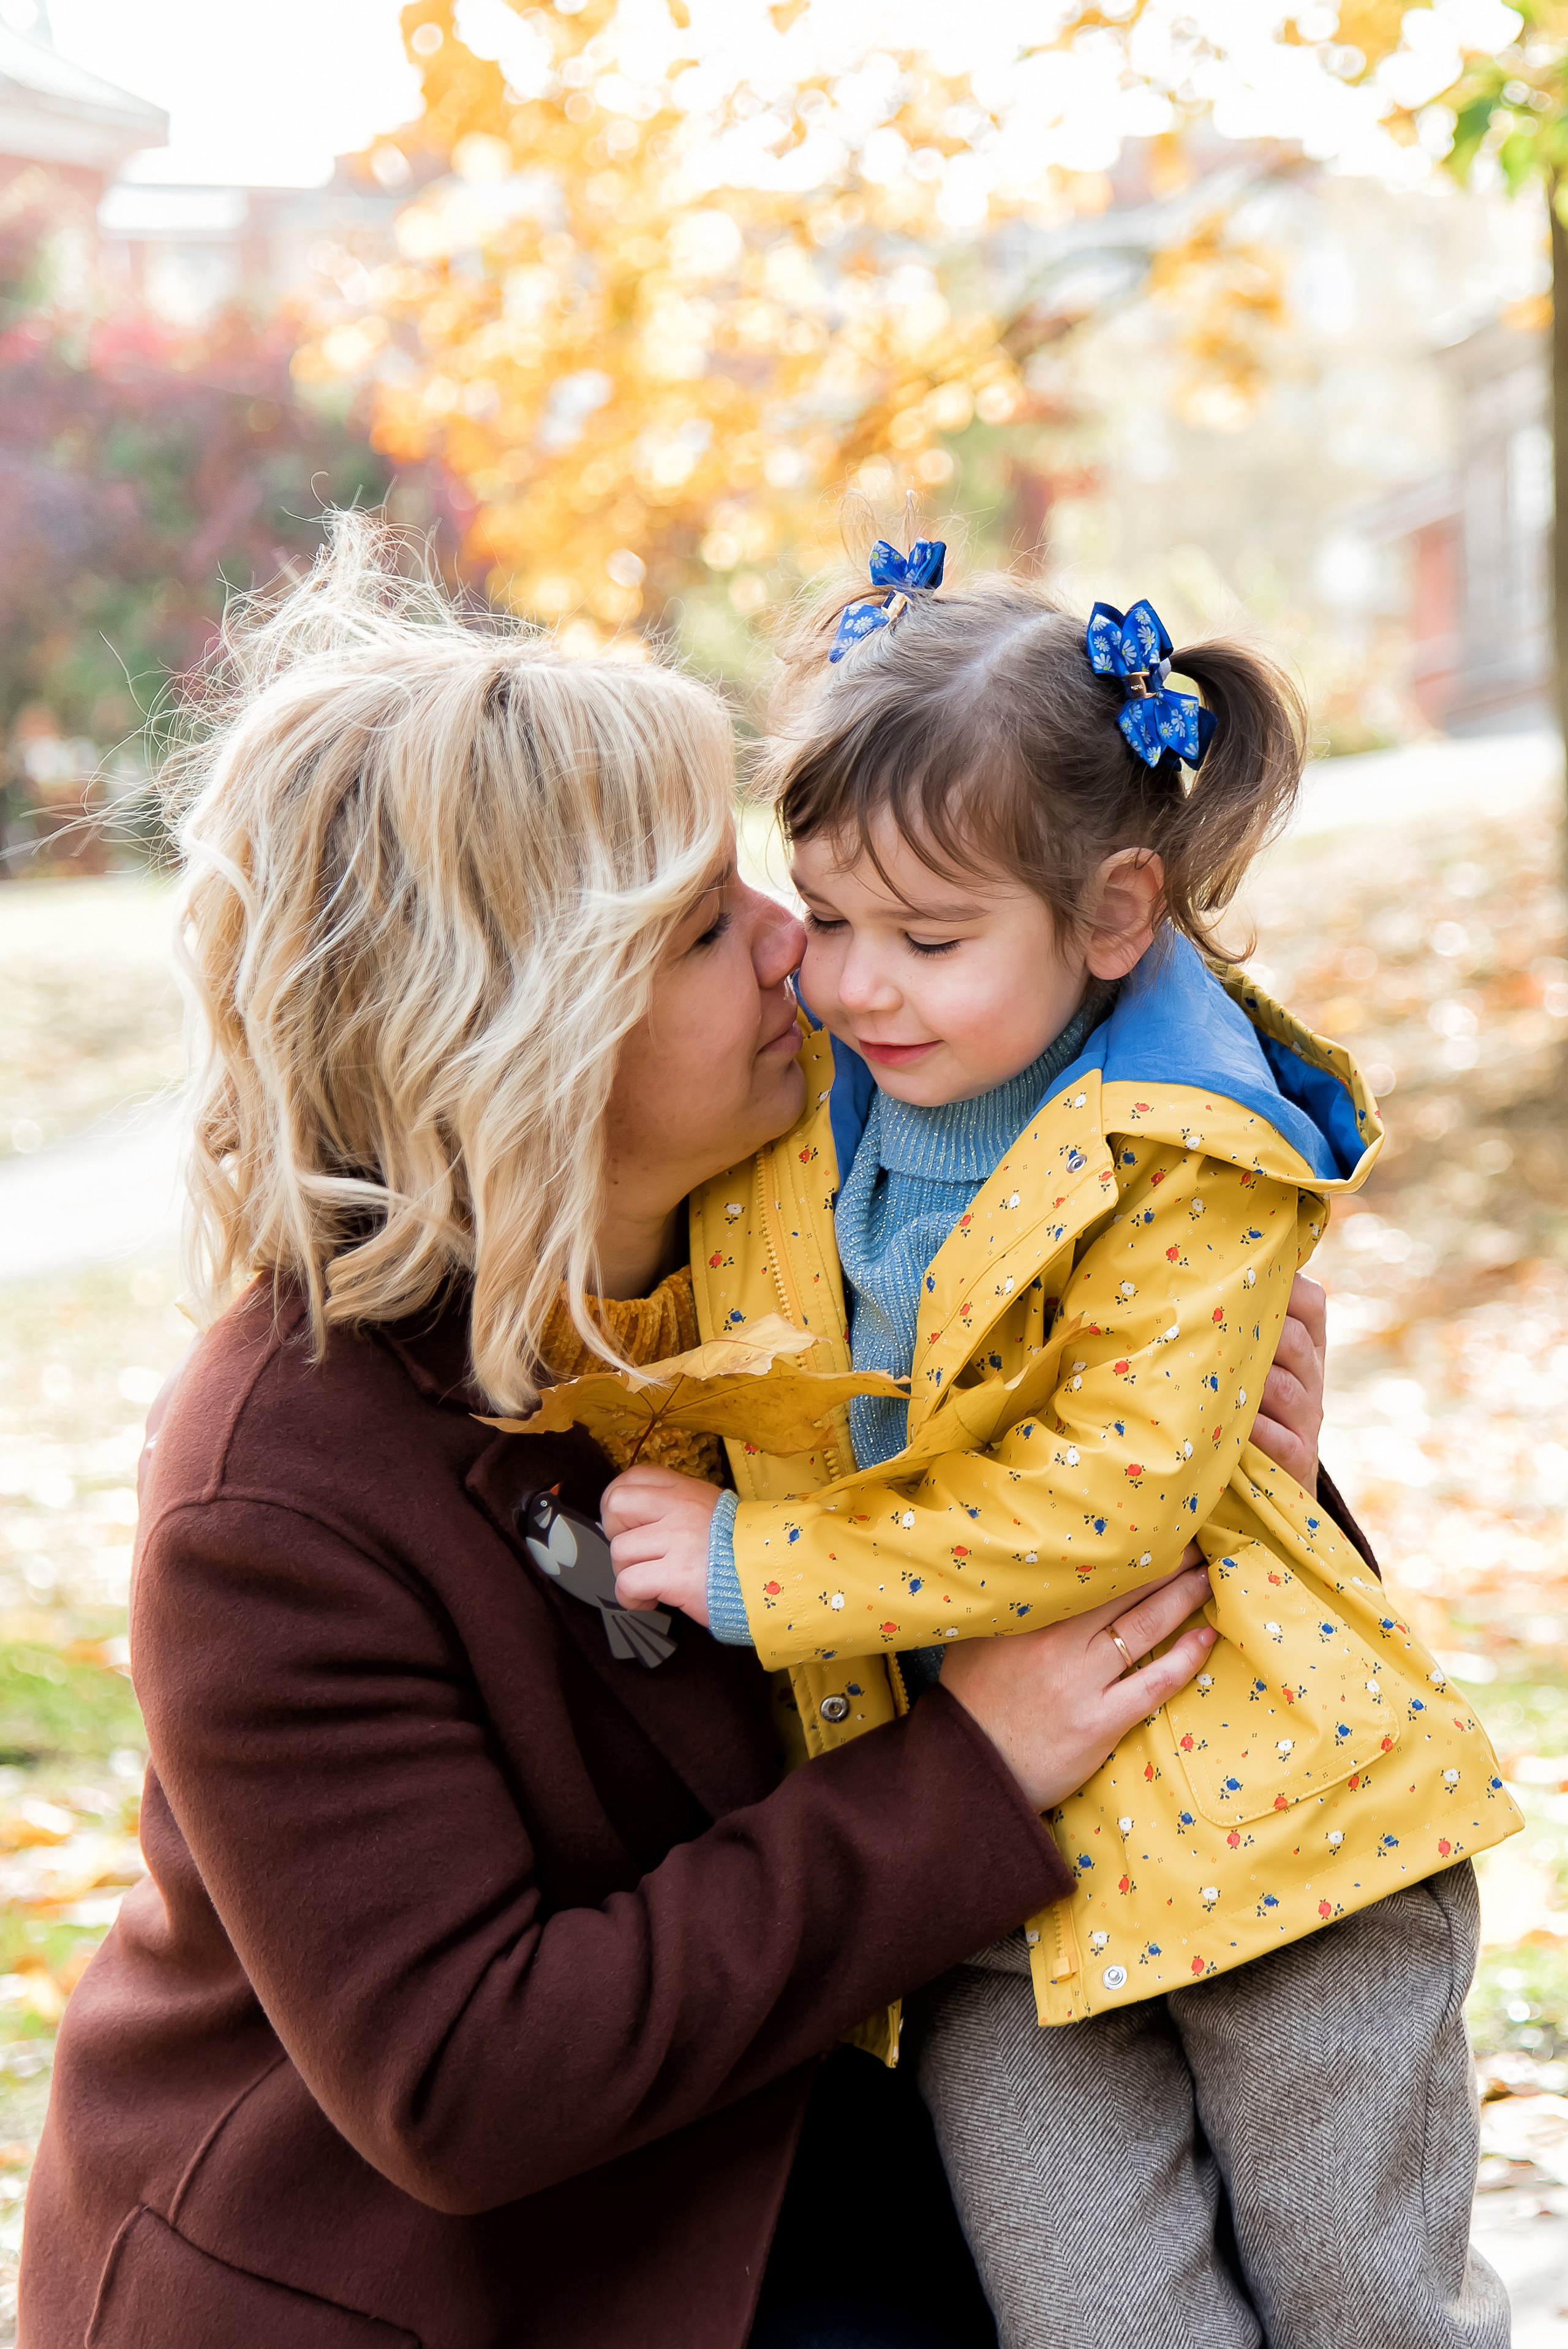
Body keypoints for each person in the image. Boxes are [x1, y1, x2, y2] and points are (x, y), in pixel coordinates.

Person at [17, 520, 1331, 2349]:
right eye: (713, 925)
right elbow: (463, 2081)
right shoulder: (276, 1495)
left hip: (786, 2100)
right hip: (443, 2275)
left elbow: (1037, 1550)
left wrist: (1224, 1468)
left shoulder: (819, 1231)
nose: (805, 947)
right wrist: (967, 1767)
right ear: (520, 1038)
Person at [605, 552, 1517, 2349]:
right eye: (826, 915)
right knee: (1099, 2323)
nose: (856, 982)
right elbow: (712, 1338)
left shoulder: (1192, 1151)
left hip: (1279, 1833)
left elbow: (1110, 1499)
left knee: (1368, 2311)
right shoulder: (799, 1118)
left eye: (930, 940)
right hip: (991, 1892)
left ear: (1112, 915)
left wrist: (754, 1567)